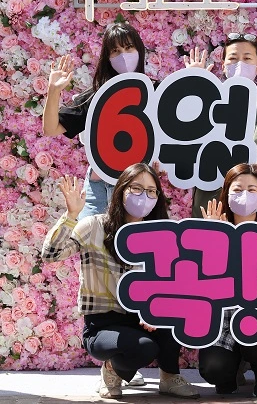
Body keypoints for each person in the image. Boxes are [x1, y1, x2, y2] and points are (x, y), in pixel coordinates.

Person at [42, 163, 199, 399]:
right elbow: (50, 255)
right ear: (121, 190)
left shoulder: (160, 235)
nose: (144, 196)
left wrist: (155, 310)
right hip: (103, 324)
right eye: (136, 188)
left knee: (177, 313)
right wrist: (71, 216)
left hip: (143, 320)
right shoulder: (94, 226)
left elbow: (172, 283)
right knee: (144, 348)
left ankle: (169, 376)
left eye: (151, 191)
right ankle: (111, 370)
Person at [197, 163, 257, 398]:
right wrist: (212, 240)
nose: (244, 195)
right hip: (224, 325)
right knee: (214, 369)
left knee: (254, 337)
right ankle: (232, 370)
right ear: (226, 195)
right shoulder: (215, 233)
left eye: (252, 190)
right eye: (238, 190)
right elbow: (201, 287)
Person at [42, 22, 148, 222]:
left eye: (129, 48)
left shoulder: (155, 91)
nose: (123, 56)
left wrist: (194, 78)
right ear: (107, 58)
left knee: (131, 240)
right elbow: (51, 128)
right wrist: (53, 91)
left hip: (139, 188)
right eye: (115, 51)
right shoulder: (97, 96)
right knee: (88, 238)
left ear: (140, 51)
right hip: (99, 188)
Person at [187, 35, 257, 224]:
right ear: (223, 65)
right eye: (233, 58)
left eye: (247, 58)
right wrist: (196, 87)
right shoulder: (207, 100)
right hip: (214, 200)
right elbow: (187, 140)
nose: (240, 64)